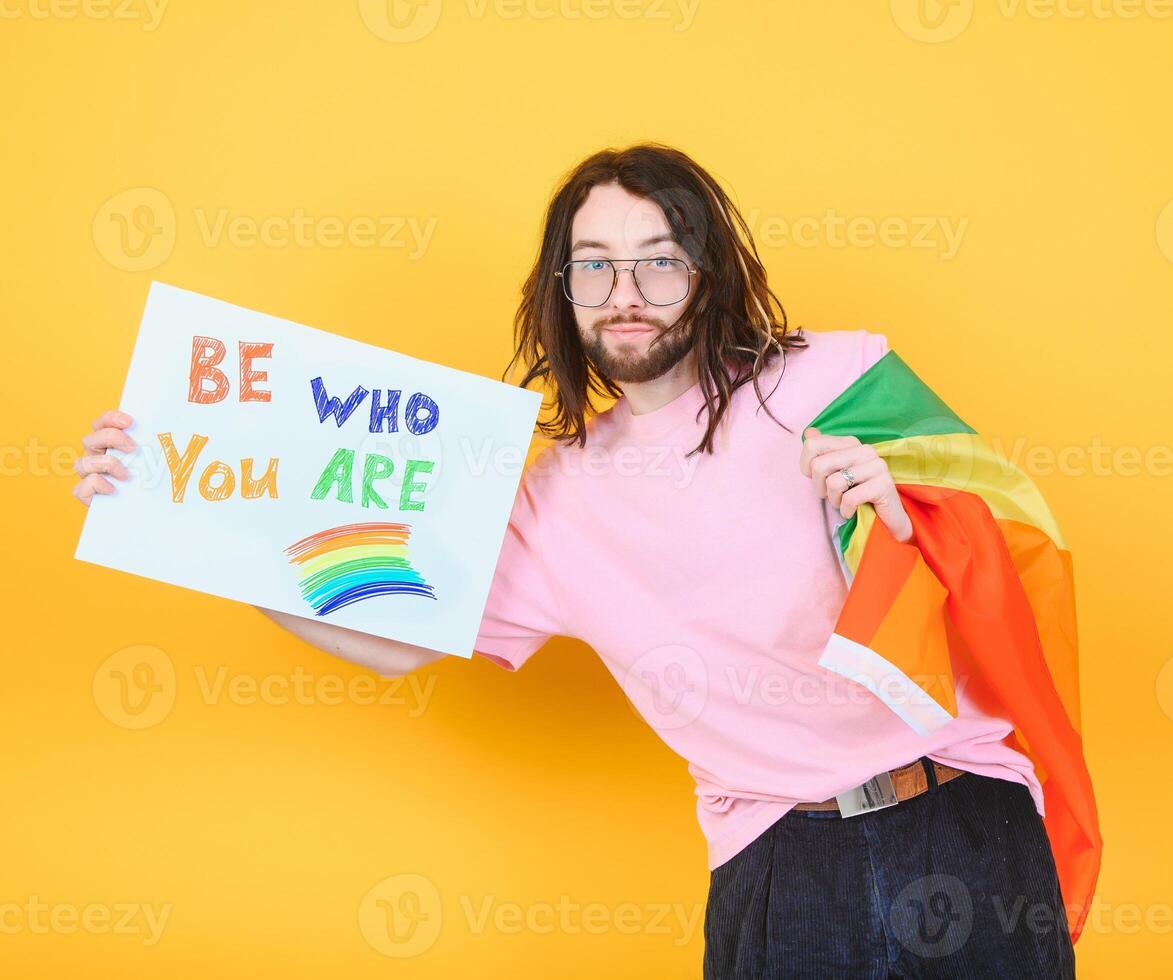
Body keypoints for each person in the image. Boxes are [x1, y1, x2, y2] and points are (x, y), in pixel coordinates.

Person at [72, 143, 1076, 978]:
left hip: (962, 820)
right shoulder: (552, 500)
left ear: (708, 270)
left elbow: (1017, 543)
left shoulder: (840, 372)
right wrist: (176, 512)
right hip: (779, 871)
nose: (625, 293)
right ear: (563, 288)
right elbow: (390, 639)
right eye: (593, 264)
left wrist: (904, 506)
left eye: (658, 260)